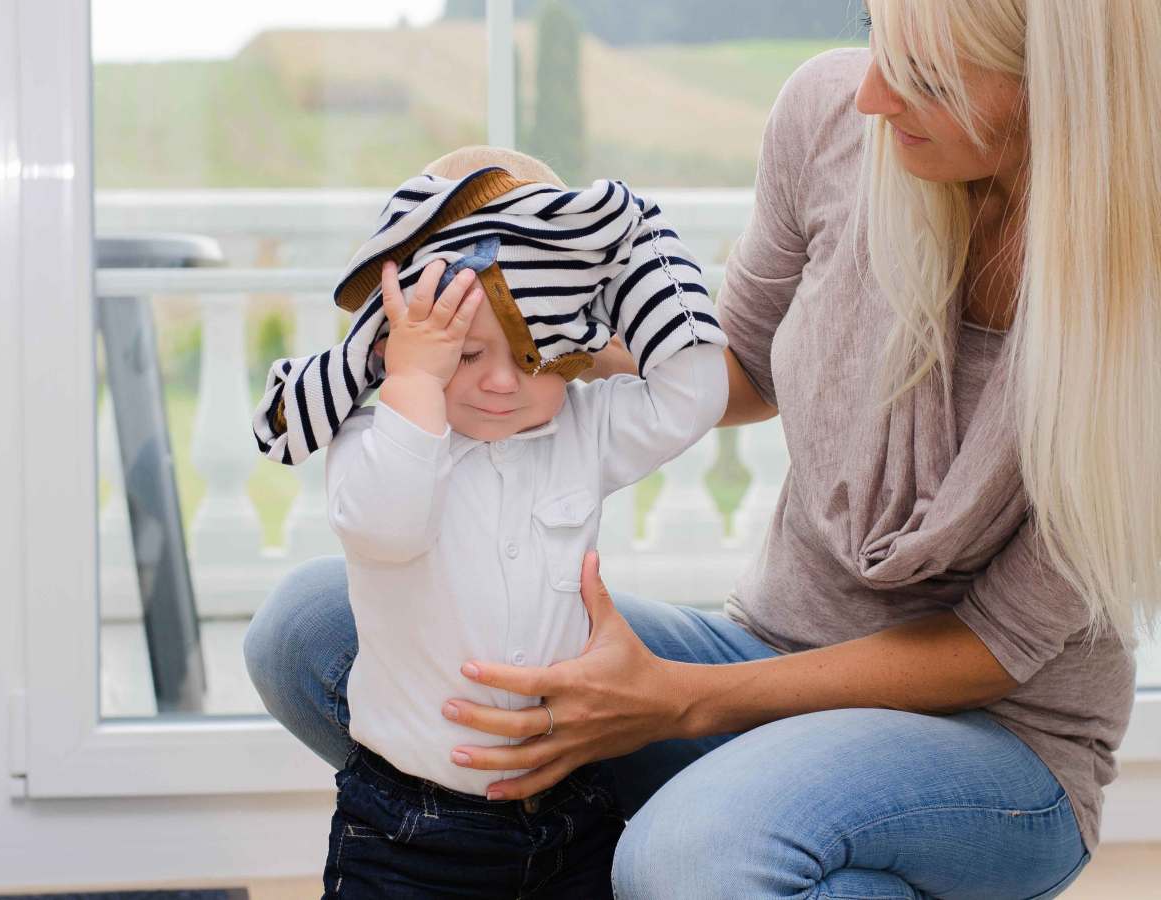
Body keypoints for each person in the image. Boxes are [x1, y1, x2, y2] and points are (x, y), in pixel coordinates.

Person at [245, 1, 1161, 896]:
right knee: (312, 626)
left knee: (687, 860)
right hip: (763, 650)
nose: (874, 95)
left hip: (994, 737)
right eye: (878, 39)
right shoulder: (833, 121)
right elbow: (744, 365)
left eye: (925, 76)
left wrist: (677, 698)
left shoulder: (1141, 297)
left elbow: (994, 646)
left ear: (1060, 90)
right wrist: (511, 339)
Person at [248, 147, 728, 897]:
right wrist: (412, 380)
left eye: (535, 355)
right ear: (394, 345)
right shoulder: (375, 440)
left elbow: (694, 393)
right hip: (409, 829)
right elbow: (388, 529)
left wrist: (634, 243)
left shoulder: (583, 429)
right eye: (464, 353)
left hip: (571, 812)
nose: (503, 382)